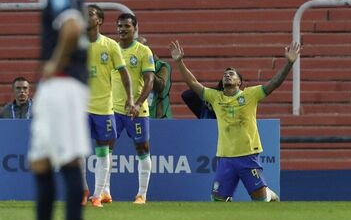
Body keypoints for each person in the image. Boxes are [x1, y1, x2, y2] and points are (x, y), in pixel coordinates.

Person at [169, 40, 301, 202]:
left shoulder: (250, 95)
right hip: (226, 157)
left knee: (260, 199)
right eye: (225, 74)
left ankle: (270, 194)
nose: (227, 75)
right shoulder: (215, 97)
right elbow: (193, 83)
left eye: (231, 74)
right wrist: (179, 62)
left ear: (239, 82)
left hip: (248, 155)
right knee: (217, 199)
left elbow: (274, 83)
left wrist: (289, 63)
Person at [26, 0, 89, 220]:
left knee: (67, 160)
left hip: (64, 81)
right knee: (40, 161)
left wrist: (54, 64)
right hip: (56, 85)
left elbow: (72, 26)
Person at [83, 4, 134, 207]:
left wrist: (130, 99)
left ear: (99, 21)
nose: (86, 17)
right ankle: (83, 190)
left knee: (103, 151)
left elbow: (124, 74)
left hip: (104, 108)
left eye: (91, 14)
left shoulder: (110, 46)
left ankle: (97, 196)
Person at [105, 13, 155, 204]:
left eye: (126, 26)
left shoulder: (143, 51)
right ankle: (105, 192)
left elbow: (150, 80)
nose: (122, 29)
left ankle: (142, 194)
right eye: (119, 26)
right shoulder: (111, 50)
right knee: (105, 148)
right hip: (112, 109)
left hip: (137, 111)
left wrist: (138, 103)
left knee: (142, 148)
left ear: (135, 28)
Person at [138, 37, 172, 119]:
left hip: (160, 116)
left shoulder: (162, 66)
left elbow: (160, 86)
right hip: (140, 113)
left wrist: (147, 70)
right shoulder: (133, 66)